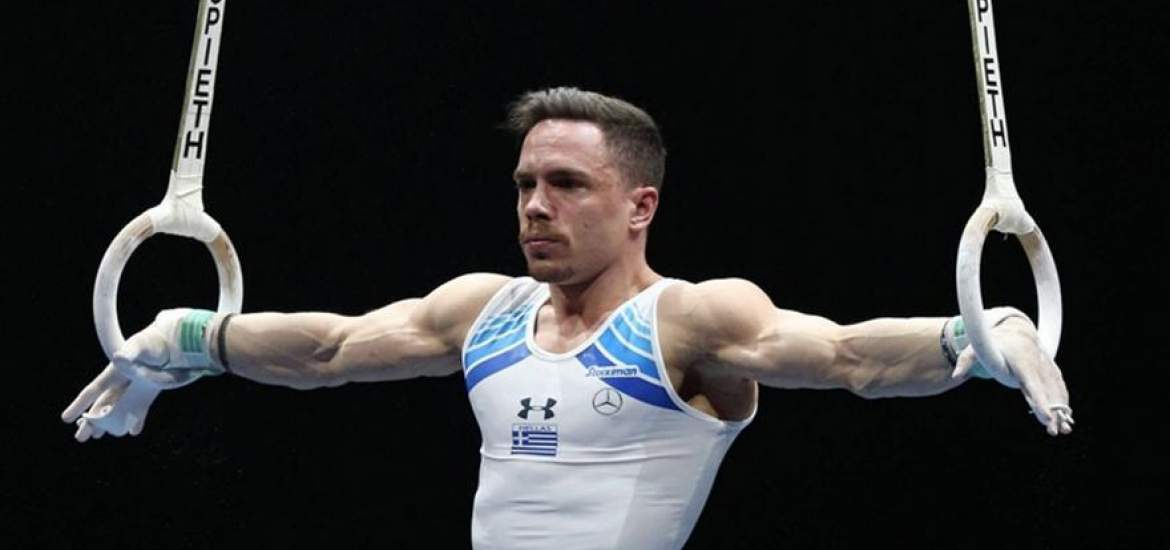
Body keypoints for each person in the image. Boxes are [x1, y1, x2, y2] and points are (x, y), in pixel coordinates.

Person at [62, 87, 1072, 549]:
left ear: (640, 206)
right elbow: (327, 348)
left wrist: (978, 337)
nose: (535, 207)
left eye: (567, 184)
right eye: (525, 184)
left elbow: (846, 355)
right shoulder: (484, 310)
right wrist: (181, 339)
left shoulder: (689, 320)